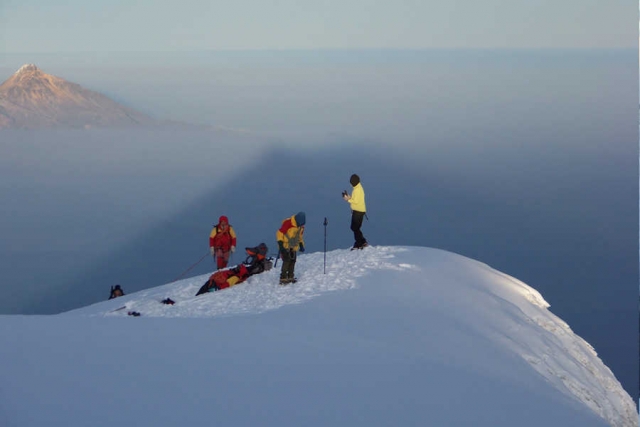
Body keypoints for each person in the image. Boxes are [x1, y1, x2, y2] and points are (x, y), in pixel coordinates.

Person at [276, 211, 306, 285]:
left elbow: (300, 237)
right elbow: (279, 233)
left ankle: (290, 276)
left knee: (293, 261)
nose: (300, 225)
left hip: (294, 247)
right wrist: (280, 245)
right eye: (300, 224)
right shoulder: (288, 223)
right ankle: (283, 278)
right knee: (286, 261)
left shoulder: (301, 227)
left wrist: (301, 245)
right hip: (285, 246)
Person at [343, 174, 368, 250]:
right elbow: (356, 199)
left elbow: (356, 201)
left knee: (354, 227)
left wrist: (347, 199)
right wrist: (349, 197)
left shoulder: (357, 190)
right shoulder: (358, 188)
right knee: (356, 227)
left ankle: (359, 243)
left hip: (358, 211)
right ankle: (362, 241)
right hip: (360, 211)